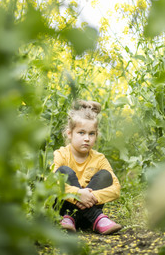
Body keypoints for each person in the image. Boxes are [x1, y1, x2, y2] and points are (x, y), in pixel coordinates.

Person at [52, 100, 122, 235]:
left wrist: (90, 196)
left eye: (91, 134)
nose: (87, 138)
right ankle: (95, 218)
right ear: (69, 134)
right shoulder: (61, 154)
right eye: (81, 133)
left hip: (86, 218)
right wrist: (77, 194)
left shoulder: (99, 158)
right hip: (63, 214)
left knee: (105, 175)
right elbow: (50, 183)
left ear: (96, 135)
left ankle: (89, 218)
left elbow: (116, 188)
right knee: (64, 172)